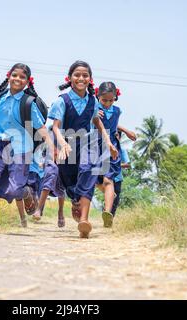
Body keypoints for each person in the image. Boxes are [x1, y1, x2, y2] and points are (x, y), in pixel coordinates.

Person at [0, 63, 54, 233]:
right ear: (9, 76)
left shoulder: (28, 103)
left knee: (15, 190)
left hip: (20, 149)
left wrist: (52, 147)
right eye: (15, 75)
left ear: (27, 82)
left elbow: (41, 126)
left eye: (22, 77)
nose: (17, 79)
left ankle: (26, 192)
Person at [49, 60, 118, 238]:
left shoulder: (93, 101)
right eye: (77, 75)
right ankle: (76, 202)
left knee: (88, 172)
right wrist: (62, 143)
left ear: (90, 79)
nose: (81, 78)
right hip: (67, 147)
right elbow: (55, 127)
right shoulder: (61, 101)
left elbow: (97, 121)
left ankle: (84, 221)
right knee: (71, 184)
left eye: (85, 75)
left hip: (88, 144)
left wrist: (108, 142)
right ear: (70, 78)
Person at [94, 82, 136, 227]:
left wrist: (126, 131)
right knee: (92, 180)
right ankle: (110, 193)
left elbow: (113, 124)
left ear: (115, 99)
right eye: (104, 100)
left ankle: (107, 213)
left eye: (111, 100)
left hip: (111, 148)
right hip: (94, 146)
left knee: (108, 180)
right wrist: (92, 113)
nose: (107, 103)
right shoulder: (93, 108)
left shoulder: (117, 111)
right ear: (97, 97)